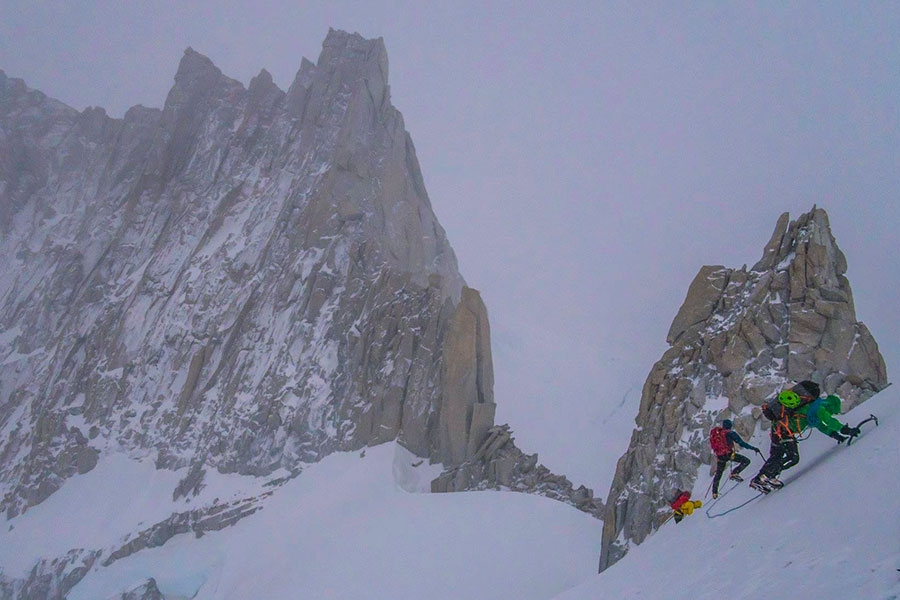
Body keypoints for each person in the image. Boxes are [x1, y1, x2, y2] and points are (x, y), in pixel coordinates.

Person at [750, 380, 858, 493]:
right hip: (784, 431)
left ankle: (763, 477)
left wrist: (835, 435)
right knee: (792, 457)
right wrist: (846, 430)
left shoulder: (813, 406)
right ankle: (764, 477)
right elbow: (829, 421)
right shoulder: (819, 409)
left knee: (778, 454)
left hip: (778, 428)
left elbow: (821, 426)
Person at [709, 419, 760, 499]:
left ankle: (714, 492)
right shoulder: (730, 433)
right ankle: (734, 473)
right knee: (746, 461)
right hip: (729, 454)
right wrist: (753, 448)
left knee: (719, 474)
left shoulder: (717, 434)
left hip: (720, 456)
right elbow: (741, 443)